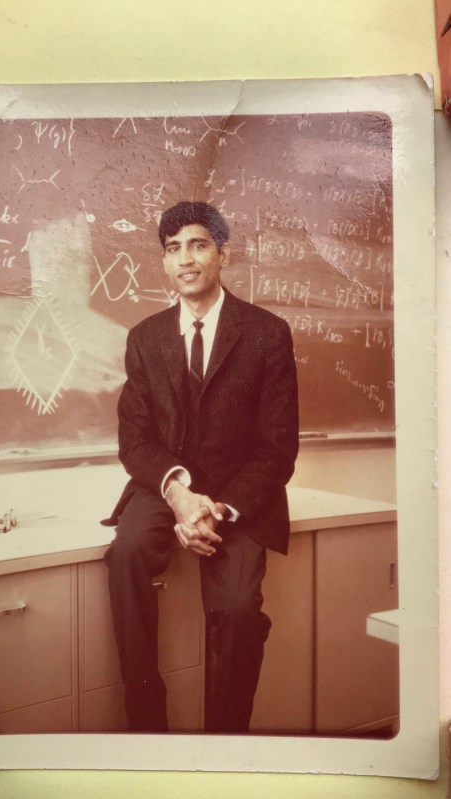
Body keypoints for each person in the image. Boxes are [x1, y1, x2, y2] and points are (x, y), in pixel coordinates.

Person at [103, 200, 299, 733]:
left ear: (223, 254)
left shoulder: (267, 333)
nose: (185, 260)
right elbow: (135, 439)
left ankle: (225, 740)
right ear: (164, 263)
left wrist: (220, 507)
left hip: (239, 497)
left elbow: (278, 448)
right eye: (172, 249)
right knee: (126, 551)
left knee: (236, 609)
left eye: (198, 245)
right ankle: (147, 721)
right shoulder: (144, 337)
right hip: (167, 487)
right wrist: (179, 495)